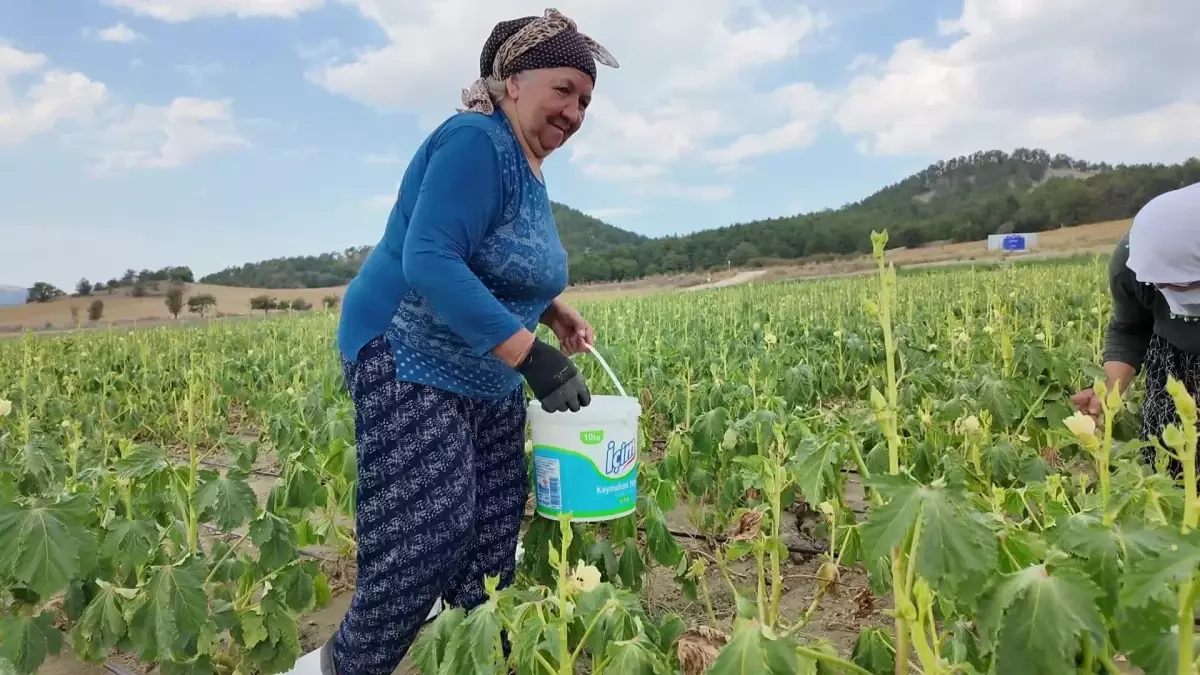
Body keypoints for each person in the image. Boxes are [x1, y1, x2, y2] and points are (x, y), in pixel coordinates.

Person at [321, 9, 618, 675]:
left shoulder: (528, 165)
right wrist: (533, 356)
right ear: (513, 82)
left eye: (586, 100)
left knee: (491, 533)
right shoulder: (474, 142)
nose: (574, 110)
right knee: (428, 530)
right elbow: (431, 259)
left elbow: (500, 263)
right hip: (406, 354)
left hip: (482, 372)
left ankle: (474, 653)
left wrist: (551, 313)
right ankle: (343, 665)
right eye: (563, 88)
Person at [1072, 181, 1200, 476]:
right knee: (1169, 463)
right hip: (1173, 356)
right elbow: (1129, 328)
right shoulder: (1131, 264)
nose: (1175, 293)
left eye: (1189, 285)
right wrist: (1108, 392)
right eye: (1163, 284)